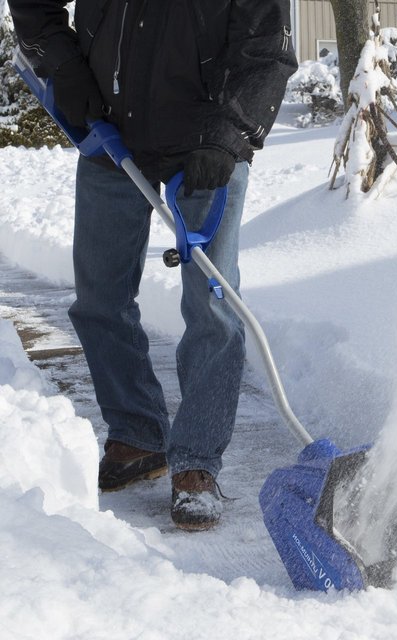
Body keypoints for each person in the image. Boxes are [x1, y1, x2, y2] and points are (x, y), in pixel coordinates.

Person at [7, 0, 297, 530]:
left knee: (212, 307)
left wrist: (230, 133)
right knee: (99, 297)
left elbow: (266, 50)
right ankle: (137, 434)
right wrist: (65, 67)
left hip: (208, 146)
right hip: (110, 129)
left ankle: (196, 463)